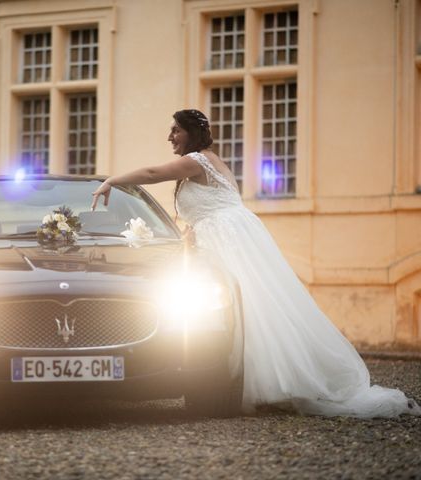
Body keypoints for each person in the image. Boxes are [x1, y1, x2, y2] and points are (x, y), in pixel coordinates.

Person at [91, 109, 421, 418]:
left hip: (228, 240)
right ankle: (265, 381)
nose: (170, 137)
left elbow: (152, 173)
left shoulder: (197, 160)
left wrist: (112, 180)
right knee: (246, 309)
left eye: (175, 130)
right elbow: (209, 207)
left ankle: (288, 382)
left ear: (191, 133)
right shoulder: (210, 163)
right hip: (227, 235)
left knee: (249, 307)